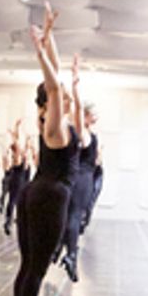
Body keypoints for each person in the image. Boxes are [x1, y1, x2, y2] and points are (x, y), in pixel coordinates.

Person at [10, 6, 76, 296]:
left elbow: (56, 79)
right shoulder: (55, 127)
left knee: (29, 266)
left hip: (38, 192)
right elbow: (53, 85)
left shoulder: (54, 124)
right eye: (59, 96)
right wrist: (39, 51)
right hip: (49, 196)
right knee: (35, 268)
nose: (64, 96)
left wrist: (50, 35)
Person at [57, 66, 93, 282]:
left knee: (74, 215)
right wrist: (75, 86)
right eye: (92, 114)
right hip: (82, 178)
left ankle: (63, 251)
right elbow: (77, 110)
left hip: (81, 176)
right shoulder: (81, 131)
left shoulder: (82, 132)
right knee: (74, 215)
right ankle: (70, 255)